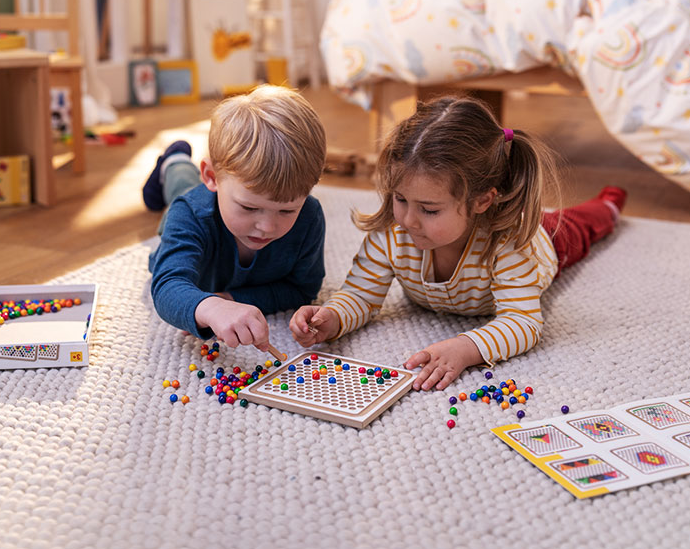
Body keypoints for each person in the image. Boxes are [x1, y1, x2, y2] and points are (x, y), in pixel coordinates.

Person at [289, 96, 626, 391]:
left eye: (429, 209)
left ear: (482, 201)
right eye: (400, 198)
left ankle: (609, 204)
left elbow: (523, 323)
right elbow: (360, 294)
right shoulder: (392, 232)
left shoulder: (510, 244)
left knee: (583, 225)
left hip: (547, 241)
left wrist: (466, 348)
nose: (408, 220)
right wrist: (332, 317)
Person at [147, 85, 328, 354]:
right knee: (181, 190)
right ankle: (173, 160)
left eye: (286, 211)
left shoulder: (309, 217)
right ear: (211, 177)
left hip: (211, 203)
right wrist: (210, 307)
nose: (267, 227)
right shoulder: (189, 215)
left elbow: (302, 290)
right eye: (248, 207)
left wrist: (230, 299)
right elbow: (167, 286)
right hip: (190, 205)